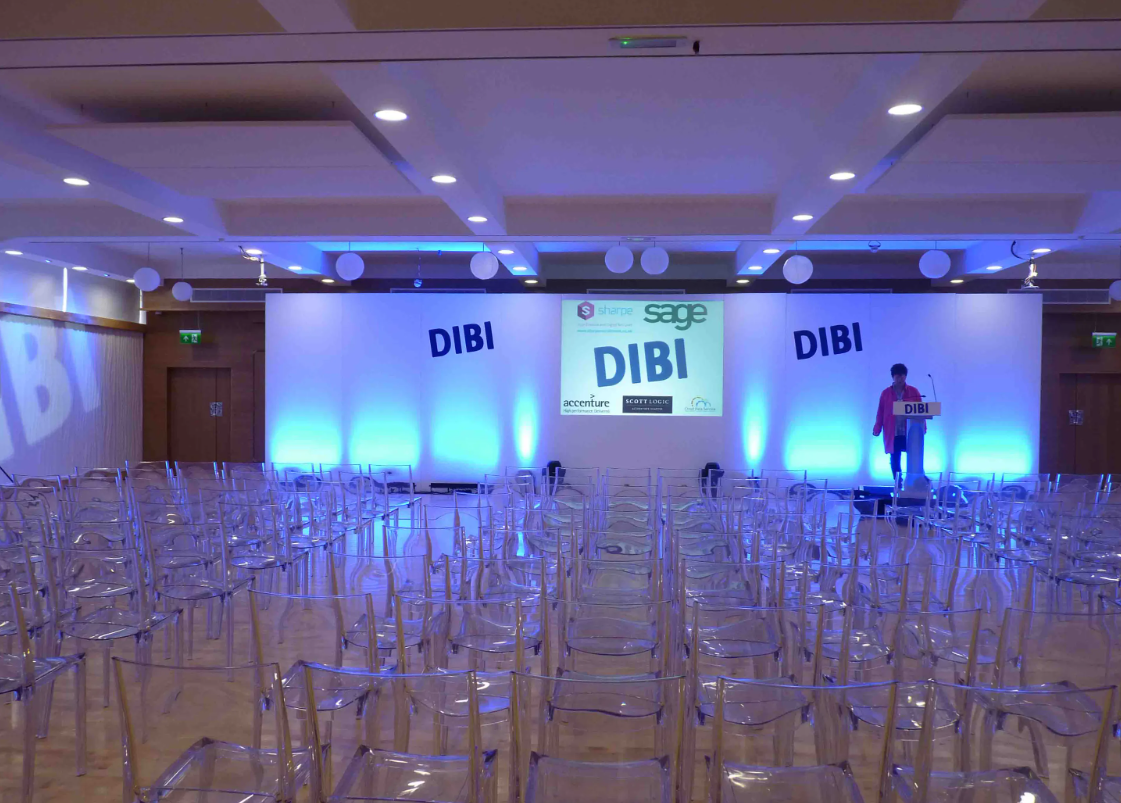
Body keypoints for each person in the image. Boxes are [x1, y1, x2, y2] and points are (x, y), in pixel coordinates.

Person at [872, 363, 924, 479]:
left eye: (902, 376)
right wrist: (877, 428)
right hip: (893, 431)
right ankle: (898, 483)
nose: (900, 379)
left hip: (910, 431)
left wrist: (923, 428)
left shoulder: (913, 392)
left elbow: (921, 411)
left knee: (914, 458)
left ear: (905, 376)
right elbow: (880, 411)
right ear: (893, 377)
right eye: (897, 376)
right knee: (895, 458)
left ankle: (914, 482)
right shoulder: (886, 393)